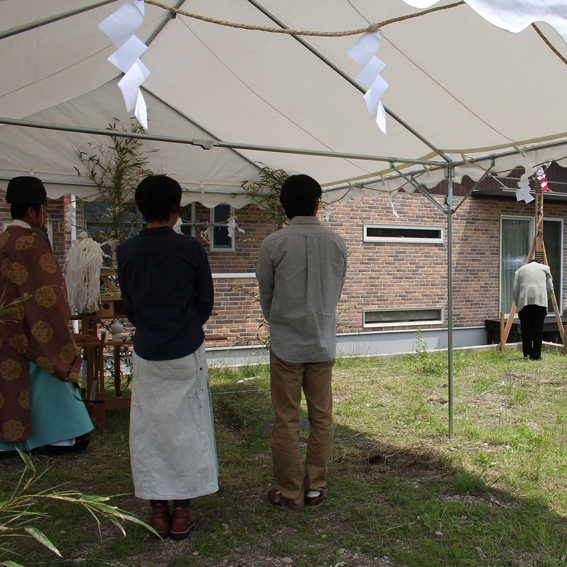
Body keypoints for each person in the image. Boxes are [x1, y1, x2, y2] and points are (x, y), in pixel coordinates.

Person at [117, 175, 217, 540]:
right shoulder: (190, 249)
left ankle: (158, 512)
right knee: (188, 428)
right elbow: (204, 302)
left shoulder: (126, 251)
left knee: (150, 430)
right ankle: (182, 512)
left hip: (148, 350)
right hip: (185, 348)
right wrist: (185, 324)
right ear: (176, 209)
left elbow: (129, 308)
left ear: (142, 208)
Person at [257, 173, 347, 512]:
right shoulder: (337, 242)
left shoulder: (274, 243)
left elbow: (267, 296)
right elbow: (335, 292)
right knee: (322, 417)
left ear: (284, 206)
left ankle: (290, 493)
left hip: (286, 344)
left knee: (286, 418)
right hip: (322, 342)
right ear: (316, 202)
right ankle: (315, 489)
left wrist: (281, 319)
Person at [0, 176, 92, 458]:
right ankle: (59, 438)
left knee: (9, 389)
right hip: (34, 330)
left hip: (6, 330)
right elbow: (48, 294)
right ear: (33, 211)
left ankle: (9, 444)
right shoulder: (30, 243)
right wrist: (61, 314)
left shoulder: (3, 239)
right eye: (43, 207)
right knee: (47, 375)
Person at [512, 258, 554, 361]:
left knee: (526, 330)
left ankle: (527, 354)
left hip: (524, 302)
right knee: (537, 330)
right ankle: (536, 355)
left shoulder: (520, 270)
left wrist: (519, 304)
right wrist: (545, 298)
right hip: (540, 301)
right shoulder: (545, 268)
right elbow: (550, 288)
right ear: (539, 263)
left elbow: (514, 291)